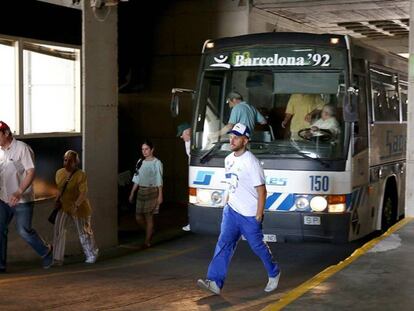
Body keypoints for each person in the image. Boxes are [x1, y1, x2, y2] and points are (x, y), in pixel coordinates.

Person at [197, 123, 280, 295]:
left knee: (257, 246)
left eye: (236, 137)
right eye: (231, 136)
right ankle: (214, 282)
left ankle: (274, 272)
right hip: (231, 211)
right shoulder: (228, 159)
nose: (232, 140)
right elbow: (231, 183)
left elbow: (262, 190)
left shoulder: (252, 162)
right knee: (224, 244)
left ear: (245, 140)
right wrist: (226, 202)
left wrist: (259, 213)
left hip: (249, 214)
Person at [0, 121, 53, 272]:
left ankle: (46, 251)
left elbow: (31, 171)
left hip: (22, 199)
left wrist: (19, 191)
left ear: (6, 133)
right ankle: (1, 265)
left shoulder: (22, 149)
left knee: (23, 230)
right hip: (3, 199)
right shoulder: (0, 151)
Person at [52, 150, 99, 265]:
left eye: (70, 161)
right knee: (58, 230)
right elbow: (59, 189)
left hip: (79, 207)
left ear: (76, 162)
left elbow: (83, 193)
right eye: (65, 160)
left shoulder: (81, 175)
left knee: (84, 232)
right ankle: (57, 258)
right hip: (64, 206)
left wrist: (76, 205)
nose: (67, 163)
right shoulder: (59, 173)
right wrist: (57, 200)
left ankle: (91, 254)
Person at [129, 140, 163, 248]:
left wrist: (160, 195)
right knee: (138, 216)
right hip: (141, 191)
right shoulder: (140, 161)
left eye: (146, 149)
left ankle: (147, 241)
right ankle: (149, 230)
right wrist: (132, 193)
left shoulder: (157, 163)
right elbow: (137, 178)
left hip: (152, 191)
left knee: (149, 216)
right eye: (143, 149)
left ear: (152, 149)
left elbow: (159, 179)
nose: (144, 151)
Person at [177, 122, 191, 232]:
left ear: (188, 132)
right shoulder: (187, 142)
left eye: (182, 134)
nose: (181, 137)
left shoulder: (198, 142)